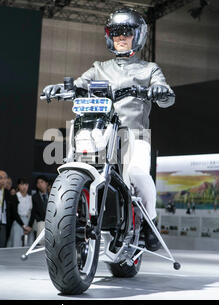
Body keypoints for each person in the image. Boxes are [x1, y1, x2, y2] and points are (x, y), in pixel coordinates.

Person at [42, 8, 175, 251]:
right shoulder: (98, 68)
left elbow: (166, 96)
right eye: (115, 34)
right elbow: (80, 84)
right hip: (100, 131)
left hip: (133, 135)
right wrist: (60, 88)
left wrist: (160, 91)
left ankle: (150, 219)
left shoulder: (150, 69)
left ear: (138, 36)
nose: (121, 38)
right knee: (76, 158)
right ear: (109, 37)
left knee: (136, 174)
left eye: (126, 33)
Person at [7, 178, 33, 247]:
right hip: (18, 223)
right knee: (16, 242)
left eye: (26, 184)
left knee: (28, 244)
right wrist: (23, 226)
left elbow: (32, 212)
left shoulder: (30, 198)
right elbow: (14, 213)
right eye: (22, 184)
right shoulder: (15, 197)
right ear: (18, 186)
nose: (24, 187)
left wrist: (29, 226)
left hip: (28, 223)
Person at [24, 175, 49, 244]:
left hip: (51, 224)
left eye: (42, 182)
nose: (40, 184)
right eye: (38, 183)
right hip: (40, 223)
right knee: (40, 243)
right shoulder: (35, 197)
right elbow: (33, 212)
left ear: (46, 183)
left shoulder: (52, 195)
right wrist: (29, 225)